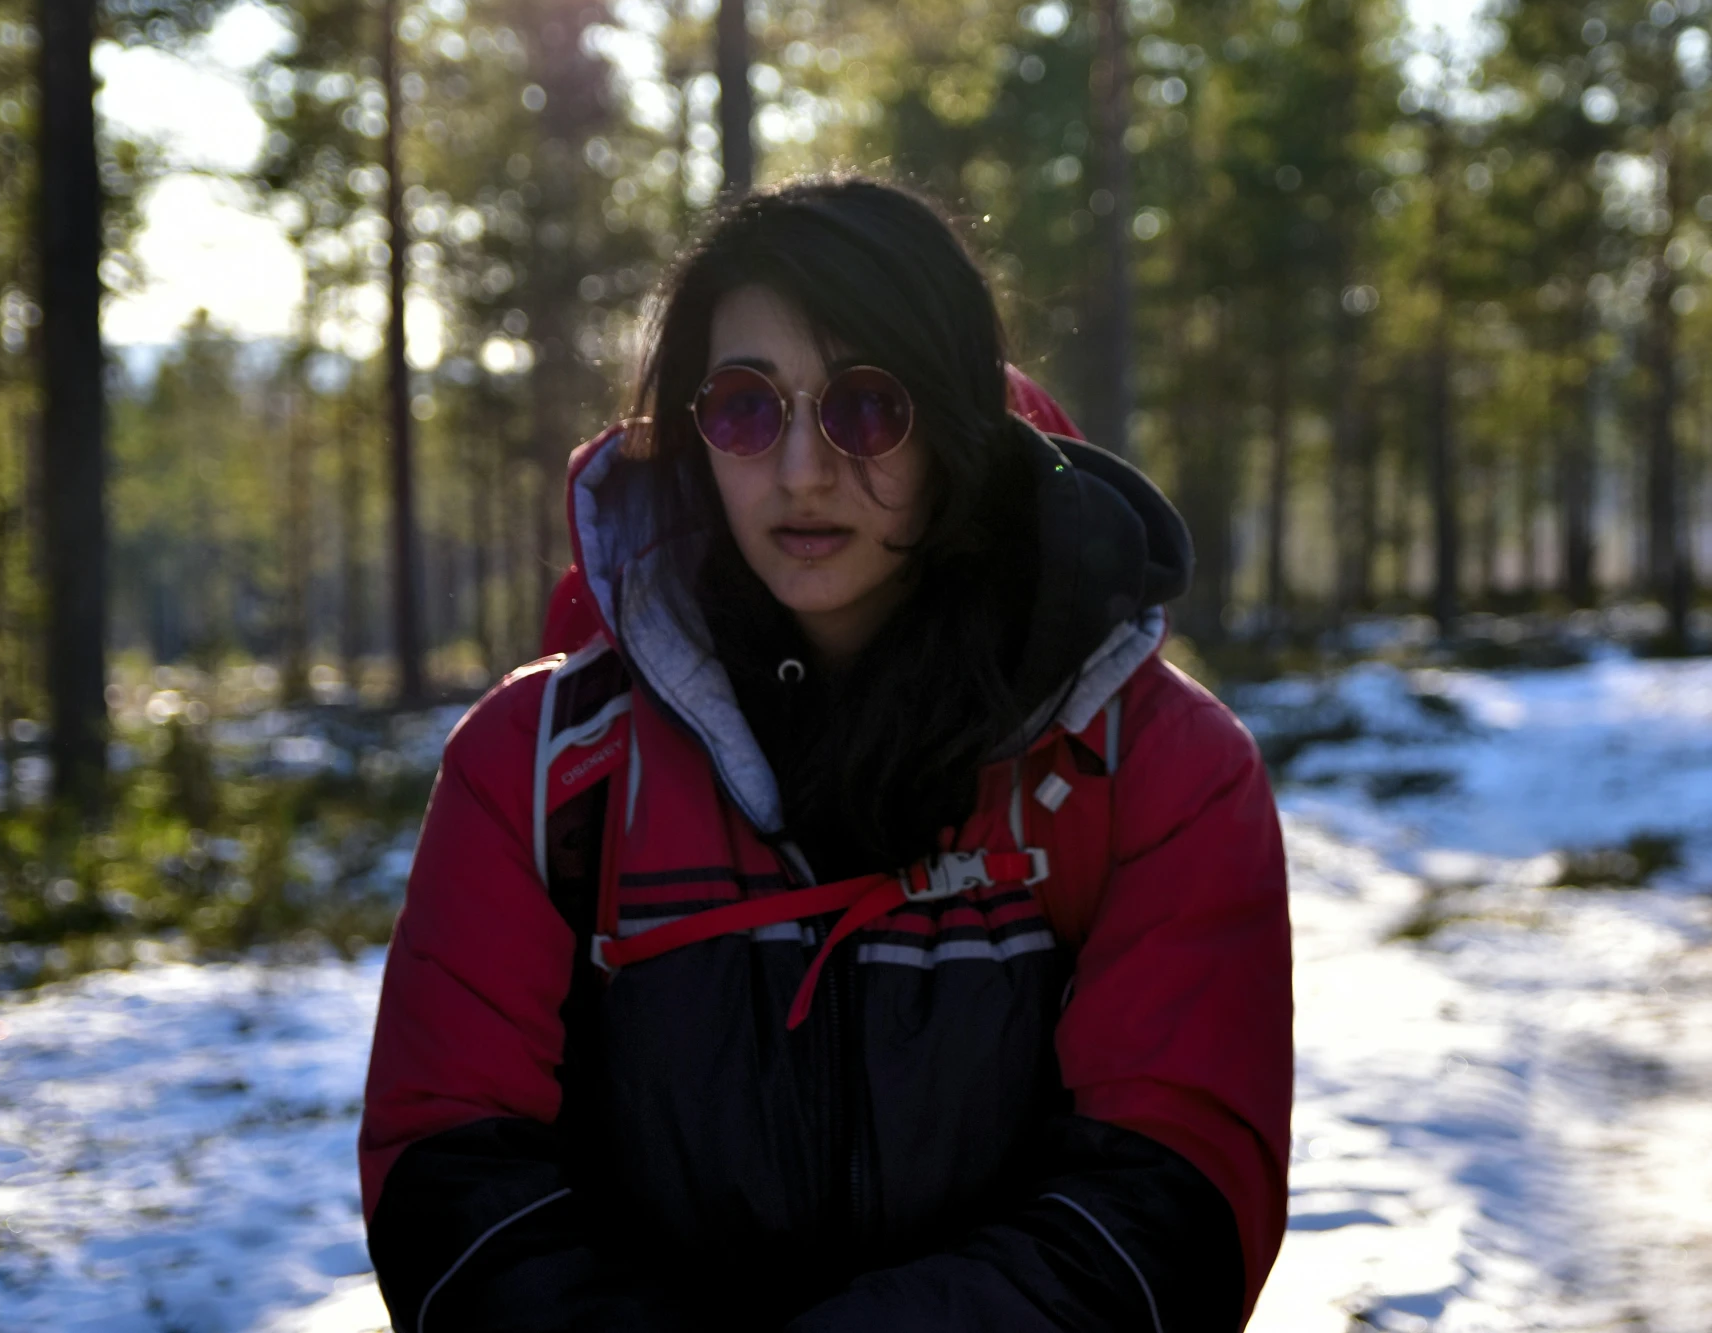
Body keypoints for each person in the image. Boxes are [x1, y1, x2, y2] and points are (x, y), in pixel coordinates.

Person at [358, 175, 1293, 1332]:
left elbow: (1176, 1191)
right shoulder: (538, 767)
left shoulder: (1153, 765)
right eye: (746, 407)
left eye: (867, 407)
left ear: (955, 421)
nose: (800, 470)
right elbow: (446, 1164)